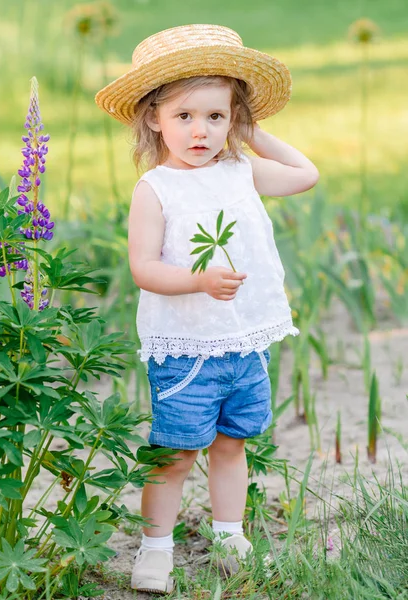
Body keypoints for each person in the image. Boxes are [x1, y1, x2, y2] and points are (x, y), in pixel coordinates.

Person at [96, 23, 319, 594]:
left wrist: (253, 134)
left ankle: (229, 535)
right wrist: (197, 280)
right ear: (154, 118)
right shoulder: (157, 189)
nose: (201, 131)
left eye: (217, 117)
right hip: (188, 349)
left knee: (231, 444)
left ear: (233, 121)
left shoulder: (240, 170)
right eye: (185, 117)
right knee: (173, 454)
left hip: (244, 341)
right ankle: (155, 549)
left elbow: (306, 175)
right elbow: (144, 267)